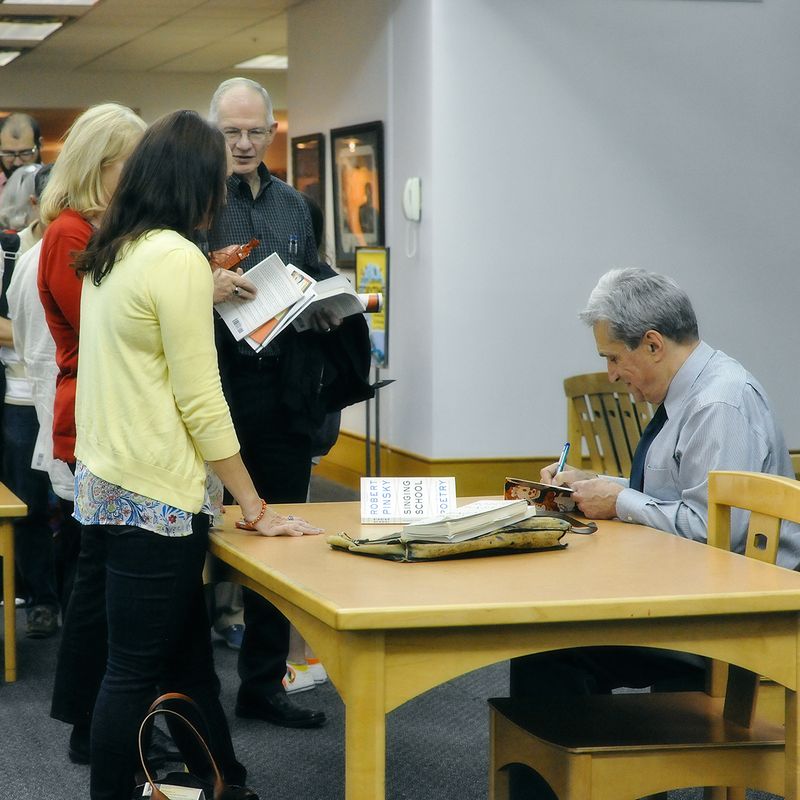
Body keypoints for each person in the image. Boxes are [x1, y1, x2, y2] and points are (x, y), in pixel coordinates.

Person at [72, 108, 321, 800]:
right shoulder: (177, 258)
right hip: (156, 497)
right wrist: (253, 502)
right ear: (194, 183)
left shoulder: (113, 249)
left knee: (185, 663)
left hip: (109, 485)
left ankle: (225, 785)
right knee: (132, 670)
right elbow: (201, 401)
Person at [508, 267, 800, 797]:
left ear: (653, 343)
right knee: (552, 646)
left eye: (614, 359)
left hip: (730, 622)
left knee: (550, 651)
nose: (614, 375)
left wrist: (618, 500)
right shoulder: (692, 391)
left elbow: (716, 537)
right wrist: (597, 485)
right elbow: (680, 495)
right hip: (698, 599)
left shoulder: (719, 404)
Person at [205, 77, 345, 729]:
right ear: (214, 133)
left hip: (286, 389)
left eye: (254, 131)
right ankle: (191, 684)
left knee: (281, 539)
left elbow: (312, 274)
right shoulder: (195, 204)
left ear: (271, 131)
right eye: (230, 132)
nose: (242, 143)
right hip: (217, 387)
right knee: (205, 538)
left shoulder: (296, 206)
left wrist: (326, 307)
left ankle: (263, 683)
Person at [39, 103, 147, 764]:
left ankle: (97, 720)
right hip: (92, 423)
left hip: (112, 420)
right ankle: (88, 723)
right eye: (126, 165)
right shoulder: (69, 233)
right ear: (96, 164)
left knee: (103, 579)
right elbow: (108, 328)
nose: (136, 177)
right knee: (95, 581)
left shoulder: (105, 227)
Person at [0, 163, 60, 637]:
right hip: (20, 398)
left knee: (74, 508)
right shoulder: (11, 250)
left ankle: (60, 594)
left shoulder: (82, 248)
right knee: (30, 506)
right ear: (36, 202)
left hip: (69, 394)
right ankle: (41, 597)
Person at [0, 113, 42, 196]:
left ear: (40, 144)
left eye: (25, 153)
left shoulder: (57, 186)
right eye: (9, 153)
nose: (17, 162)